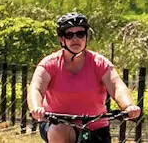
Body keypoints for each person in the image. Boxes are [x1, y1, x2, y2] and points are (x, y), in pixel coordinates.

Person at [26, 13, 141, 143]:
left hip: (96, 126)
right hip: (58, 122)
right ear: (61, 39)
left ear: (86, 37)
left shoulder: (99, 63)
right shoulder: (49, 64)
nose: (76, 39)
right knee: (60, 129)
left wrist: (128, 106)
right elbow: (36, 88)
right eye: (70, 35)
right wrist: (36, 107)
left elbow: (116, 86)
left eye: (80, 34)